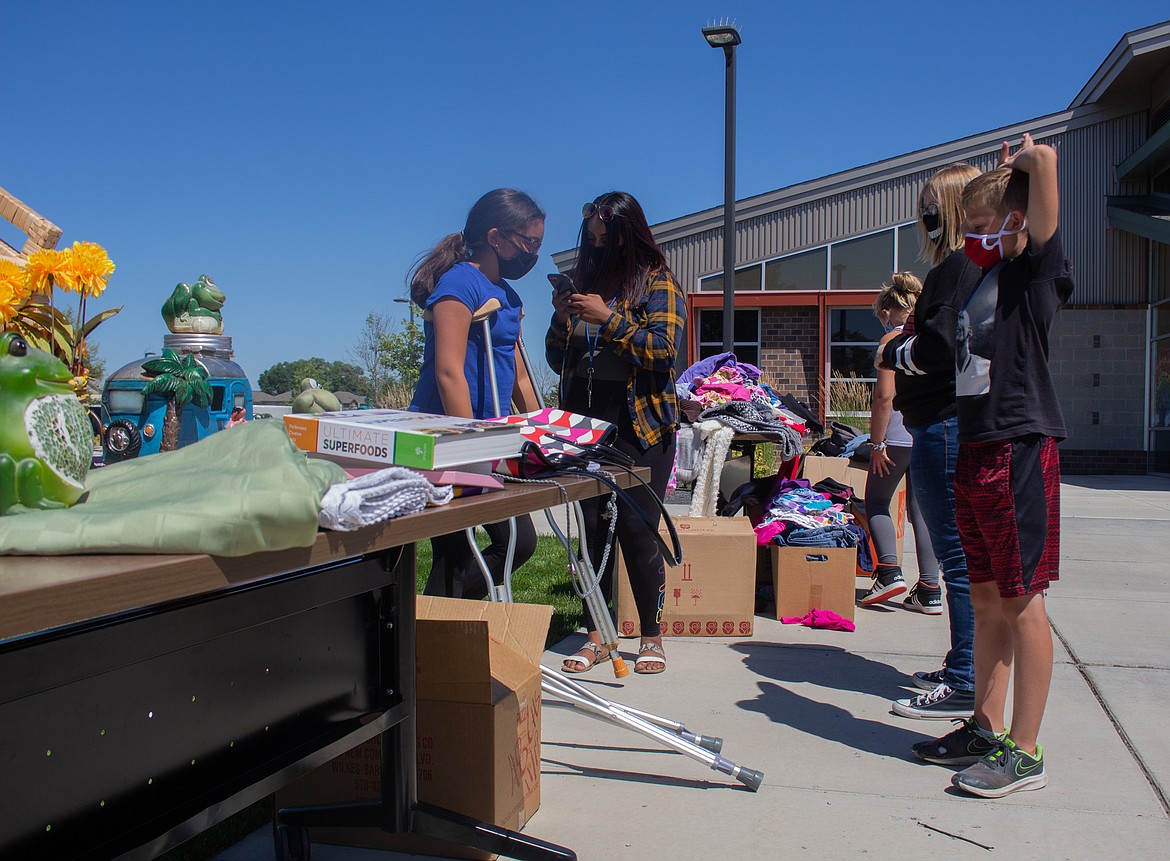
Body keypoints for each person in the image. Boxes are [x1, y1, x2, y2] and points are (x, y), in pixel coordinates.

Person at [939, 134, 1070, 797]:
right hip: (974, 445)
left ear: (1018, 223)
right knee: (987, 597)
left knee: (1022, 602)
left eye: (982, 229)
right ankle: (986, 726)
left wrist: (1022, 160)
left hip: (1019, 445)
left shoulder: (1034, 274)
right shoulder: (983, 277)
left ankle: (1025, 750)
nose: (972, 241)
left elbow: (1045, 165)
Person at [546, 192, 685, 675]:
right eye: (593, 241)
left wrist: (608, 318)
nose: (599, 249)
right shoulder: (586, 284)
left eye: (608, 241)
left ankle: (651, 635)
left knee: (636, 530)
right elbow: (555, 358)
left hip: (639, 427)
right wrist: (564, 319)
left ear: (629, 238)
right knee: (591, 531)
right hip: (584, 426)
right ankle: (597, 636)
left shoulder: (657, 283)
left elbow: (662, 350)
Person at [879, 163, 982, 721]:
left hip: (944, 424)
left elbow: (939, 346)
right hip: (943, 423)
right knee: (957, 553)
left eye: (929, 203)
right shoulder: (966, 268)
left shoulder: (956, 268)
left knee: (957, 556)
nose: (923, 214)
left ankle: (966, 676)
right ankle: (961, 663)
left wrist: (895, 351)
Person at [408, 188, 544, 599]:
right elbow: (449, 372)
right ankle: (431, 635)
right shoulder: (457, 285)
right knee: (456, 551)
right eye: (529, 242)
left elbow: (519, 376)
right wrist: (470, 446)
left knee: (518, 542)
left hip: (489, 438)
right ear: (495, 237)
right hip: (448, 437)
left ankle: (434, 619)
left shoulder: (508, 294)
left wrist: (543, 432)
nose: (533, 253)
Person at [858, 273, 942, 612]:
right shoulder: (928, 339)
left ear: (890, 309)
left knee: (876, 501)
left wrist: (876, 444)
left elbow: (884, 396)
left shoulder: (893, 339)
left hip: (894, 436)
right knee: (921, 512)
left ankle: (889, 571)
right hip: (924, 433)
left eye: (881, 313)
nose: (881, 320)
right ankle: (930, 589)